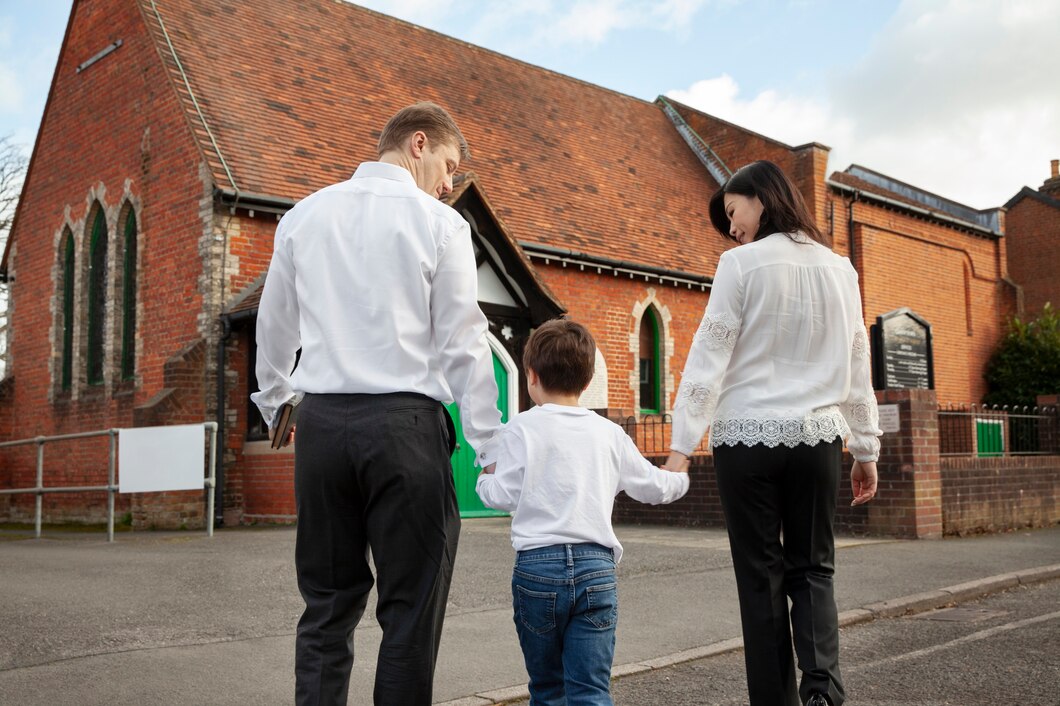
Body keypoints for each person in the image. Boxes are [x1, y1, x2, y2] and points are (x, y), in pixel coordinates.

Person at [251, 101, 503, 706]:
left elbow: (274, 322)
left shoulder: (304, 217)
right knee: (410, 612)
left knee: (327, 606)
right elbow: (464, 341)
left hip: (321, 432)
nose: (450, 184)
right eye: (448, 165)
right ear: (418, 144)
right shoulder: (441, 226)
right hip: (404, 430)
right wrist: (490, 443)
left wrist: (275, 397)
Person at [665, 160, 881, 706]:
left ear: (762, 198)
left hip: (746, 440)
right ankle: (822, 692)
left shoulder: (740, 265)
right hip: (818, 440)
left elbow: (709, 354)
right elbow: (858, 363)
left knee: (761, 577)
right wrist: (865, 447)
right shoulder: (842, 271)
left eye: (733, 213)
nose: (732, 227)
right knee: (814, 568)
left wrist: (681, 446)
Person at [477, 318, 690, 706]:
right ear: (588, 381)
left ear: (532, 376)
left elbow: (501, 496)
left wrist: (484, 476)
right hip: (596, 568)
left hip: (537, 569)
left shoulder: (520, 430)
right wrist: (680, 476)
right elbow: (652, 486)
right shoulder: (609, 433)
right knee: (590, 690)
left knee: (547, 688)